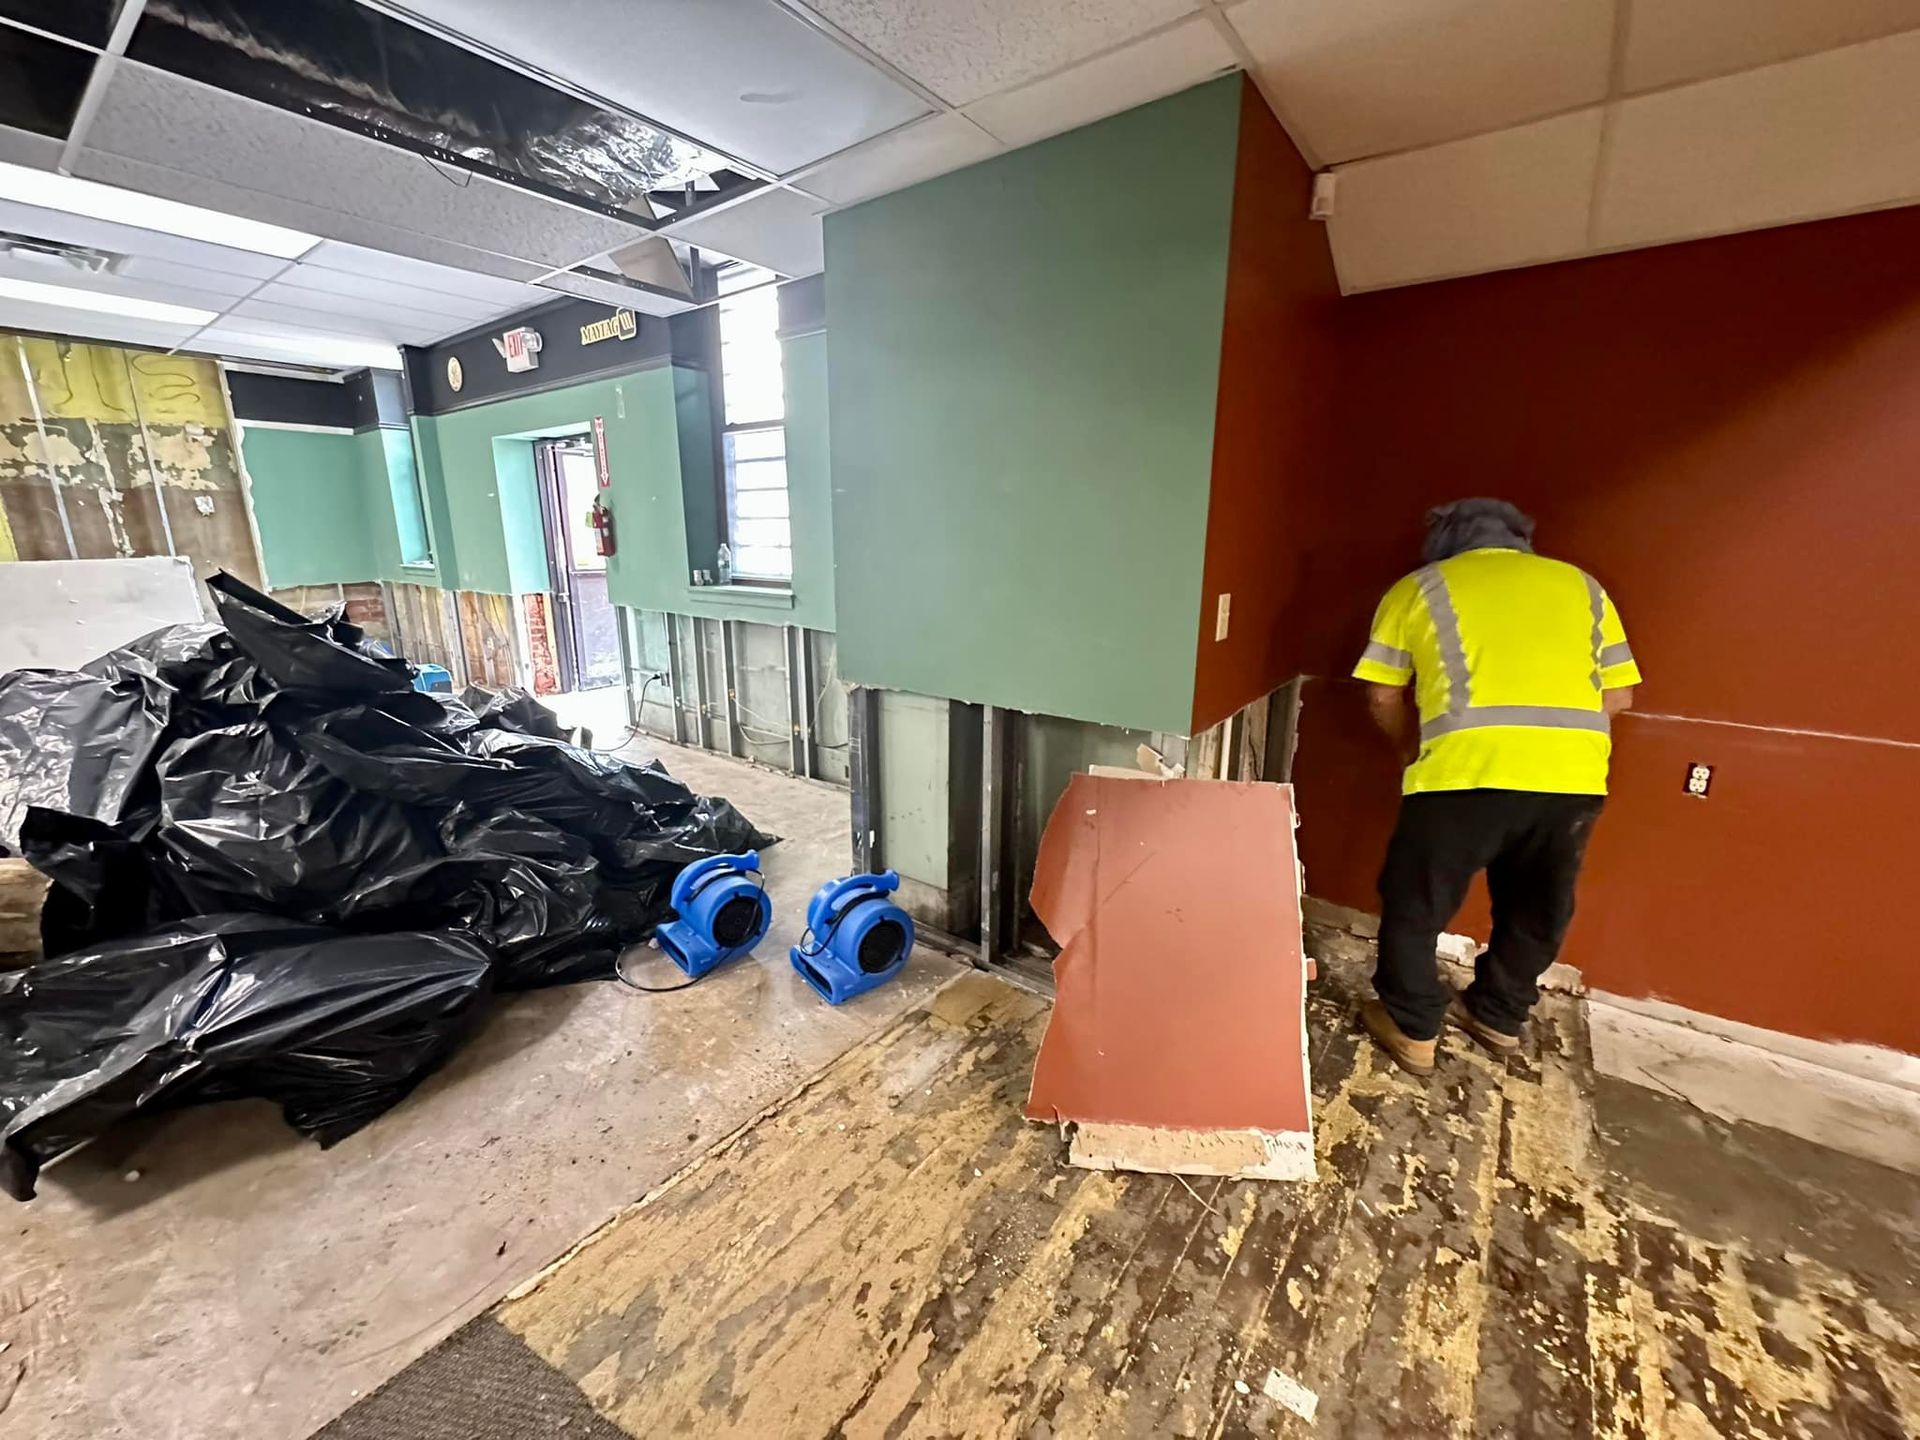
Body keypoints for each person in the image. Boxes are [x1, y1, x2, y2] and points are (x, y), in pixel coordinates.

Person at [1350, 499, 1640, 1075]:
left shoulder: (1420, 588)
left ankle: (1412, 1028)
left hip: (1462, 773)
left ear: (1442, 542)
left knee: (1417, 902)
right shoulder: (1583, 587)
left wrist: (1410, 747)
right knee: (1537, 906)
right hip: (1572, 781)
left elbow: (1382, 693)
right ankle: (1498, 1016)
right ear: (1520, 539)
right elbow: (1619, 696)